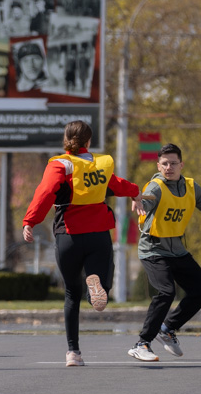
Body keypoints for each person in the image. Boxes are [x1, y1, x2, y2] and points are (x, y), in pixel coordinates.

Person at [23, 120, 141, 367]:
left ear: (65, 140)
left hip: (69, 235)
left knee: (70, 293)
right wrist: (136, 192)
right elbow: (116, 185)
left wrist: (30, 221)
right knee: (103, 277)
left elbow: (45, 193)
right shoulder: (99, 165)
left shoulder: (61, 165)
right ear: (89, 141)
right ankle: (96, 288)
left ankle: (73, 353)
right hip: (98, 233)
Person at [128, 143, 201, 362]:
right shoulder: (156, 187)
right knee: (166, 291)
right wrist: (139, 201)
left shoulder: (191, 187)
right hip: (153, 249)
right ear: (158, 165)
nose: (169, 167)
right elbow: (146, 198)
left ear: (181, 165)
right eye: (165, 164)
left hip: (177, 250)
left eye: (173, 163)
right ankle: (142, 343)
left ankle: (167, 329)